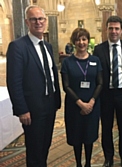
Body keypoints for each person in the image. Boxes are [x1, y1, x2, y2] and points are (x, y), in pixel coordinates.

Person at [6, 5, 61, 167]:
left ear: (46, 21)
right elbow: (14, 82)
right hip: (32, 108)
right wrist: (22, 109)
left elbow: (51, 75)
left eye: (41, 19)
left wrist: (56, 100)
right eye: (34, 19)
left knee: (45, 144)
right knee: (34, 148)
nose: (38, 22)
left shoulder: (48, 46)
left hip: (50, 104)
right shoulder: (18, 47)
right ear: (27, 22)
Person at [93, 16, 122, 167]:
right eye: (111, 28)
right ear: (106, 29)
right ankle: (108, 158)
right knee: (106, 128)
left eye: (117, 28)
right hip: (106, 95)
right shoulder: (98, 49)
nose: (114, 31)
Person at [61, 27, 103, 167]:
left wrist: (91, 102)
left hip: (92, 105)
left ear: (88, 41)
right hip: (74, 106)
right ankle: (78, 164)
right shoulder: (67, 62)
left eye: (84, 39)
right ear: (74, 42)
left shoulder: (95, 60)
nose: (81, 42)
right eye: (78, 39)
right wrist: (81, 104)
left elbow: (100, 83)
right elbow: (66, 86)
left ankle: (88, 164)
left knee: (89, 136)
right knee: (76, 136)